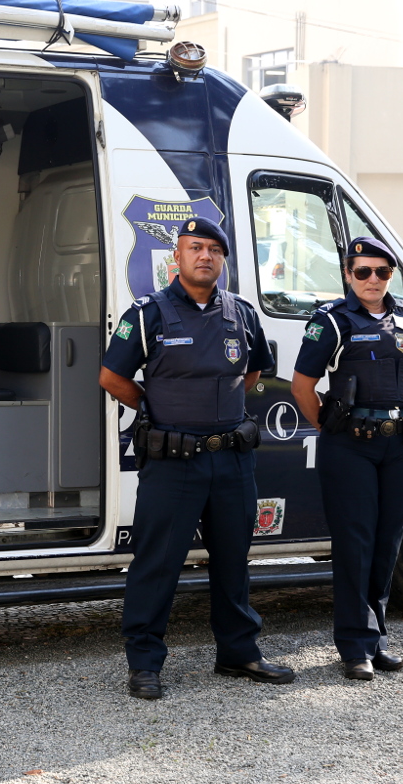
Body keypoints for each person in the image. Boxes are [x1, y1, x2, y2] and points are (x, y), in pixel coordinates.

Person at [99, 216, 295, 700]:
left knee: (233, 561)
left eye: (213, 249)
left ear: (223, 260)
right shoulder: (149, 314)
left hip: (231, 460)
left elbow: (252, 374)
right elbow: (111, 377)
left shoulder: (243, 314)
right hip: (173, 461)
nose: (205, 256)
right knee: (157, 563)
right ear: (177, 257)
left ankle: (238, 652)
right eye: (194, 248)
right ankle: (144, 663)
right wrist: (158, 408)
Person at [290, 237, 403, 681]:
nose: (373, 280)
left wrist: (395, 419)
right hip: (350, 446)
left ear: (390, 276)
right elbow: (301, 386)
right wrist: (333, 429)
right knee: (355, 544)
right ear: (348, 276)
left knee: (389, 540)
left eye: (382, 272)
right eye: (363, 272)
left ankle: (376, 639)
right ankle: (354, 647)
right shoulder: (332, 322)